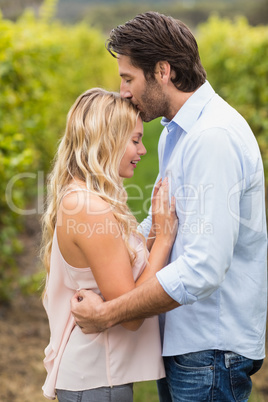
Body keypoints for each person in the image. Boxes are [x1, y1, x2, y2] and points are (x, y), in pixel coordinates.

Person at [71, 11, 268, 402]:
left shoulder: (212, 138)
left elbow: (203, 267)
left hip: (210, 351)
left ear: (163, 71)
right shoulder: (175, 134)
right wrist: (103, 243)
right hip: (187, 345)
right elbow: (163, 222)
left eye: (128, 78)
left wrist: (111, 312)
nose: (123, 91)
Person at [41, 87, 178, 401]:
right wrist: (164, 240)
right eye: (134, 140)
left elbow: (116, 264)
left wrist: (154, 231)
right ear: (107, 140)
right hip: (97, 377)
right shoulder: (90, 208)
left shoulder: (82, 198)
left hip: (99, 376)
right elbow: (129, 314)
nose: (142, 150)